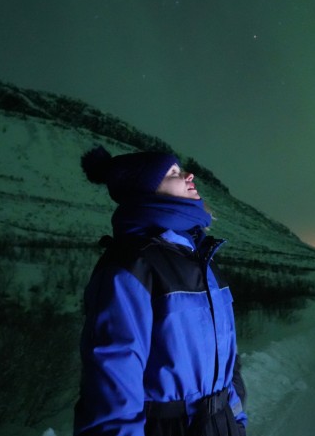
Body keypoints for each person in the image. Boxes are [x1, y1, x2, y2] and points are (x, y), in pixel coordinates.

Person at [74, 145, 247, 436]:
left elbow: (229, 362)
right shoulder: (130, 265)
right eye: (173, 173)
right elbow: (111, 383)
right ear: (147, 191)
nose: (190, 175)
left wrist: (236, 419)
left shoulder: (200, 259)